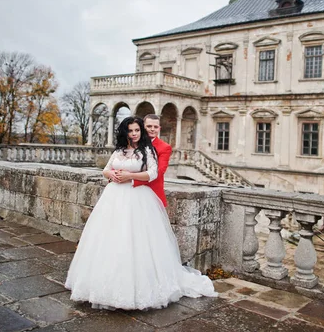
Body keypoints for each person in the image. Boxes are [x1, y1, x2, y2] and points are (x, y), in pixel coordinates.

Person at [64, 117, 216, 310]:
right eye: (131, 130)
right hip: (113, 198)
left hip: (138, 197)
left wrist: (129, 176)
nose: (134, 133)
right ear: (125, 132)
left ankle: (138, 286)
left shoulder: (147, 150)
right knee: (110, 239)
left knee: (137, 241)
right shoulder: (119, 151)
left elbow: (153, 173)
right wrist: (111, 175)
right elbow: (105, 169)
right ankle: (102, 283)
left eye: (137, 130)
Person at [107, 114, 170, 207]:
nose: (152, 129)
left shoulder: (164, 147)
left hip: (150, 192)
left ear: (159, 128)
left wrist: (130, 178)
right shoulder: (126, 146)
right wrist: (115, 175)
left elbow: (158, 172)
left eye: (155, 127)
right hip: (122, 191)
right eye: (149, 126)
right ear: (143, 127)